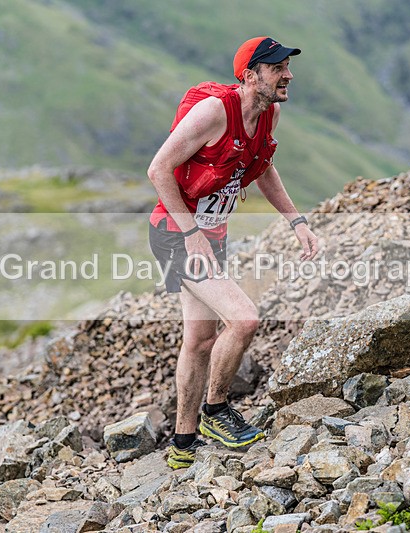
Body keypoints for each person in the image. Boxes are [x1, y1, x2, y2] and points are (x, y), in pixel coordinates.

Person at [147, 36, 319, 469]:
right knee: (244, 319)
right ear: (250, 76)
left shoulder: (268, 114)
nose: (289, 75)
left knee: (200, 339)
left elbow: (263, 168)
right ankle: (216, 412)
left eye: (287, 67)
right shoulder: (213, 114)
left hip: (210, 234)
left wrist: (296, 222)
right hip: (177, 233)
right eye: (278, 68)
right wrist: (191, 234)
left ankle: (183, 446)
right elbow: (158, 169)